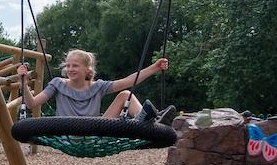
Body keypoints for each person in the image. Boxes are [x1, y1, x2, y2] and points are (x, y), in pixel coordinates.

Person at [17, 49, 176, 124]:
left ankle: (152, 122)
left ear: (87, 69)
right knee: (125, 94)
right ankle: (149, 121)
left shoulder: (98, 86)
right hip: (65, 131)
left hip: (94, 129)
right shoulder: (57, 84)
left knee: (125, 94)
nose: (70, 69)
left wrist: (154, 67)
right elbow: (31, 104)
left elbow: (128, 80)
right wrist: (23, 82)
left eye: (75, 66)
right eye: (68, 65)